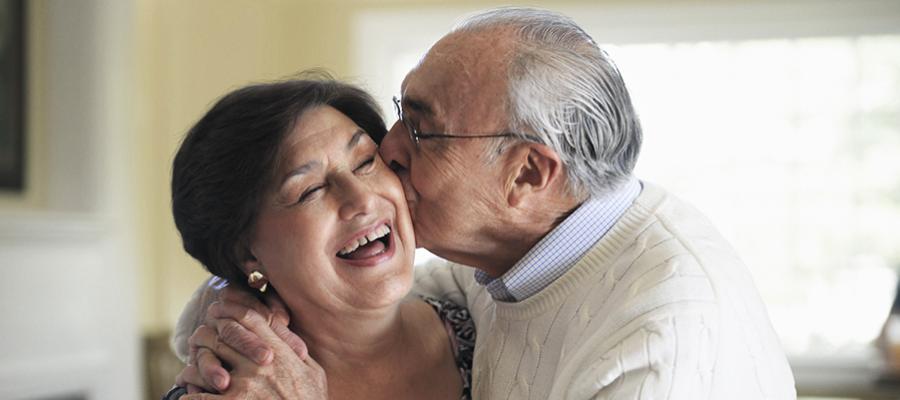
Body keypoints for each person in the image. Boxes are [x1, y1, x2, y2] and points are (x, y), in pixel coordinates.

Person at [175, 7, 797, 399]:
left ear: (527, 173)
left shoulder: (654, 354)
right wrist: (232, 311)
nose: (388, 158)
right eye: (398, 115)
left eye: (422, 129)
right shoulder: (506, 267)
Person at [164, 77, 474, 400]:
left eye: (366, 161)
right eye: (310, 190)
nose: (362, 199)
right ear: (247, 254)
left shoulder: (487, 326)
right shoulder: (224, 390)